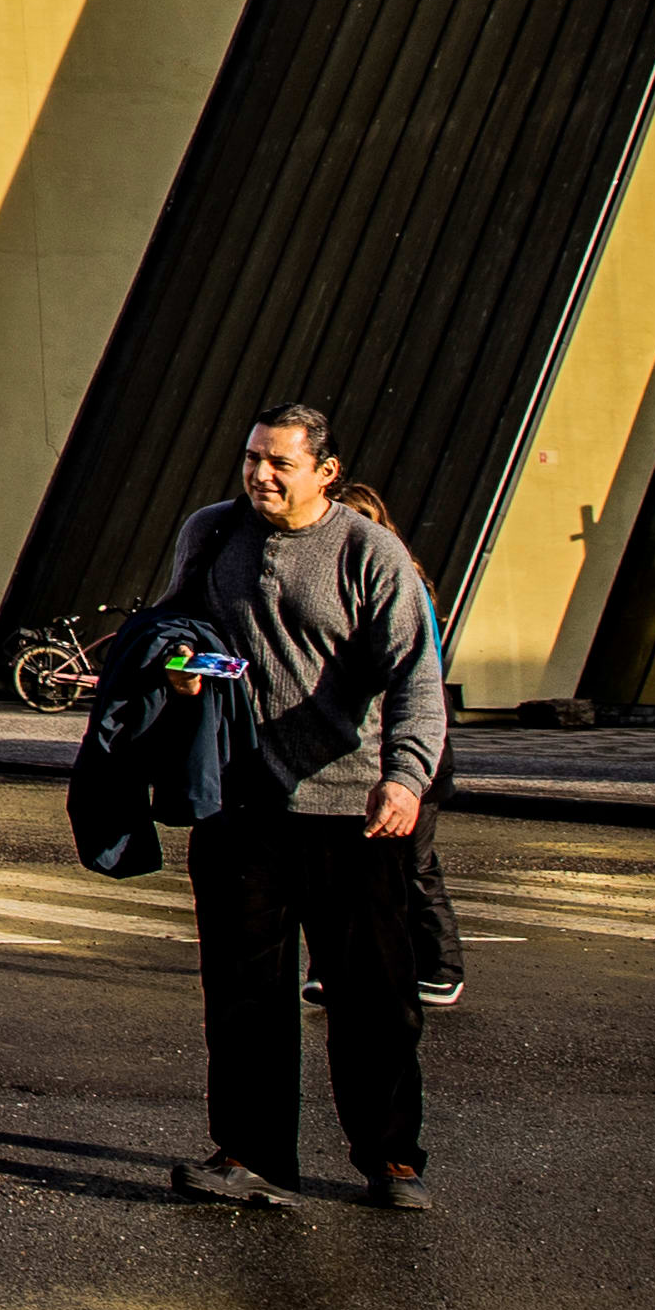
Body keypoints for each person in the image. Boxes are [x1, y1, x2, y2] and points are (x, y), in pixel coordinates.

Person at [159, 405, 447, 1212]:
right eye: (253, 458)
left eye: (280, 463)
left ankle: (391, 1158)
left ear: (325, 471)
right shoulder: (213, 532)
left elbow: (416, 675)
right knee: (243, 995)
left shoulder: (367, 551)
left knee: (372, 998)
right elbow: (176, 621)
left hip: (350, 811)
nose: (260, 475)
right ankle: (252, 1158)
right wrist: (178, 665)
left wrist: (405, 777)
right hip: (240, 804)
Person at [325, 484, 467, 1009]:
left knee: (413, 863)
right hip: (360, 748)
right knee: (351, 866)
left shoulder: (398, 580)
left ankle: (442, 967)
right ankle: (342, 967)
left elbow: (415, 677)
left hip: (412, 747)